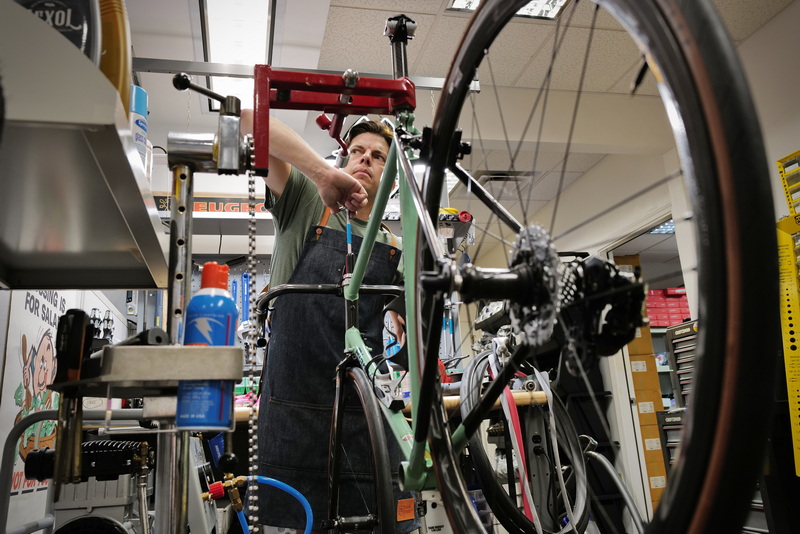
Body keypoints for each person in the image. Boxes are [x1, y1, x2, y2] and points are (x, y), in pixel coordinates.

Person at [240, 110, 416, 533]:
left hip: (362, 418)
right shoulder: (305, 201)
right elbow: (250, 120)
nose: (365, 159)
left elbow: (416, 330)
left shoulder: (396, 246)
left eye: (377, 155)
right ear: (342, 159)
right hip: (291, 413)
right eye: (356, 151)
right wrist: (321, 173)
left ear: (391, 180)